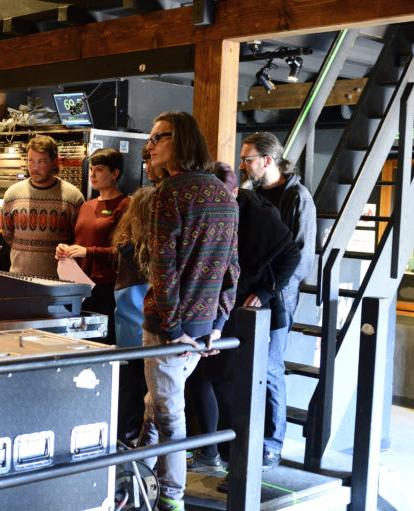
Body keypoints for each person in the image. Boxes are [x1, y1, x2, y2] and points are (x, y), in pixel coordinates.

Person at [137, 111, 240, 511]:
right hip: (202, 327)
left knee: (170, 415)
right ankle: (138, 469)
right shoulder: (223, 194)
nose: (149, 146)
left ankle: (171, 497)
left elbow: (163, 268)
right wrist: (218, 323)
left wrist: (173, 325)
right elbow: (232, 267)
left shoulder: (169, 193)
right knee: (158, 402)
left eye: (158, 137)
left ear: (180, 141)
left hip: (169, 328)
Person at [184, 164, 301, 488]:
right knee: (201, 378)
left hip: (249, 310)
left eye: (221, 196)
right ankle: (212, 453)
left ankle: (240, 466)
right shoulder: (210, 208)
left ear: (235, 192)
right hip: (216, 304)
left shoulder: (260, 215)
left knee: (232, 386)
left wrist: (265, 292)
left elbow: (291, 256)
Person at [239, 131, 316, 471]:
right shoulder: (251, 195)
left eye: (248, 159)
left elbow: (301, 258)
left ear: (267, 160)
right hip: (248, 294)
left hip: (277, 298)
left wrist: (268, 291)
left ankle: (271, 445)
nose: (243, 166)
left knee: (270, 369)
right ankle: (245, 439)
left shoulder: (298, 197)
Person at [55, 148, 130, 344]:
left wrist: (87, 252)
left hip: (107, 288)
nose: (93, 175)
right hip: (80, 287)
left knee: (102, 344)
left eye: (99, 169)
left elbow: (125, 253)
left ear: (115, 173)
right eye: (91, 169)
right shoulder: (86, 206)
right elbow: (81, 243)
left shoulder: (125, 205)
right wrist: (66, 250)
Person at [0, 135, 85, 278]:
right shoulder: (12, 194)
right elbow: (7, 234)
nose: (35, 167)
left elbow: (79, 241)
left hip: (58, 281)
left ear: (54, 162)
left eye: (41, 161)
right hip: (19, 279)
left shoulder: (73, 197)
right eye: (31, 161)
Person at [110, 186, 155, 442]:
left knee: (128, 381)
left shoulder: (124, 241)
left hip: (126, 312)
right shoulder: (147, 247)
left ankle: (124, 433)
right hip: (144, 314)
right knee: (144, 382)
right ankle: (134, 433)